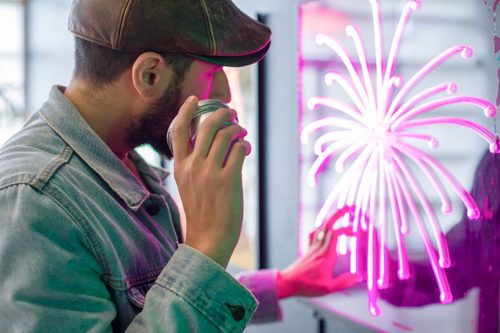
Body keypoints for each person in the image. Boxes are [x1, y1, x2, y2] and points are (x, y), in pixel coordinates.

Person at [0, 0, 359, 332]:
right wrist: (208, 243)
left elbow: (150, 298)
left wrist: (283, 284)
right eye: (214, 71)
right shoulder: (34, 202)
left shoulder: (119, 161)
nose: (225, 93)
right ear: (150, 76)